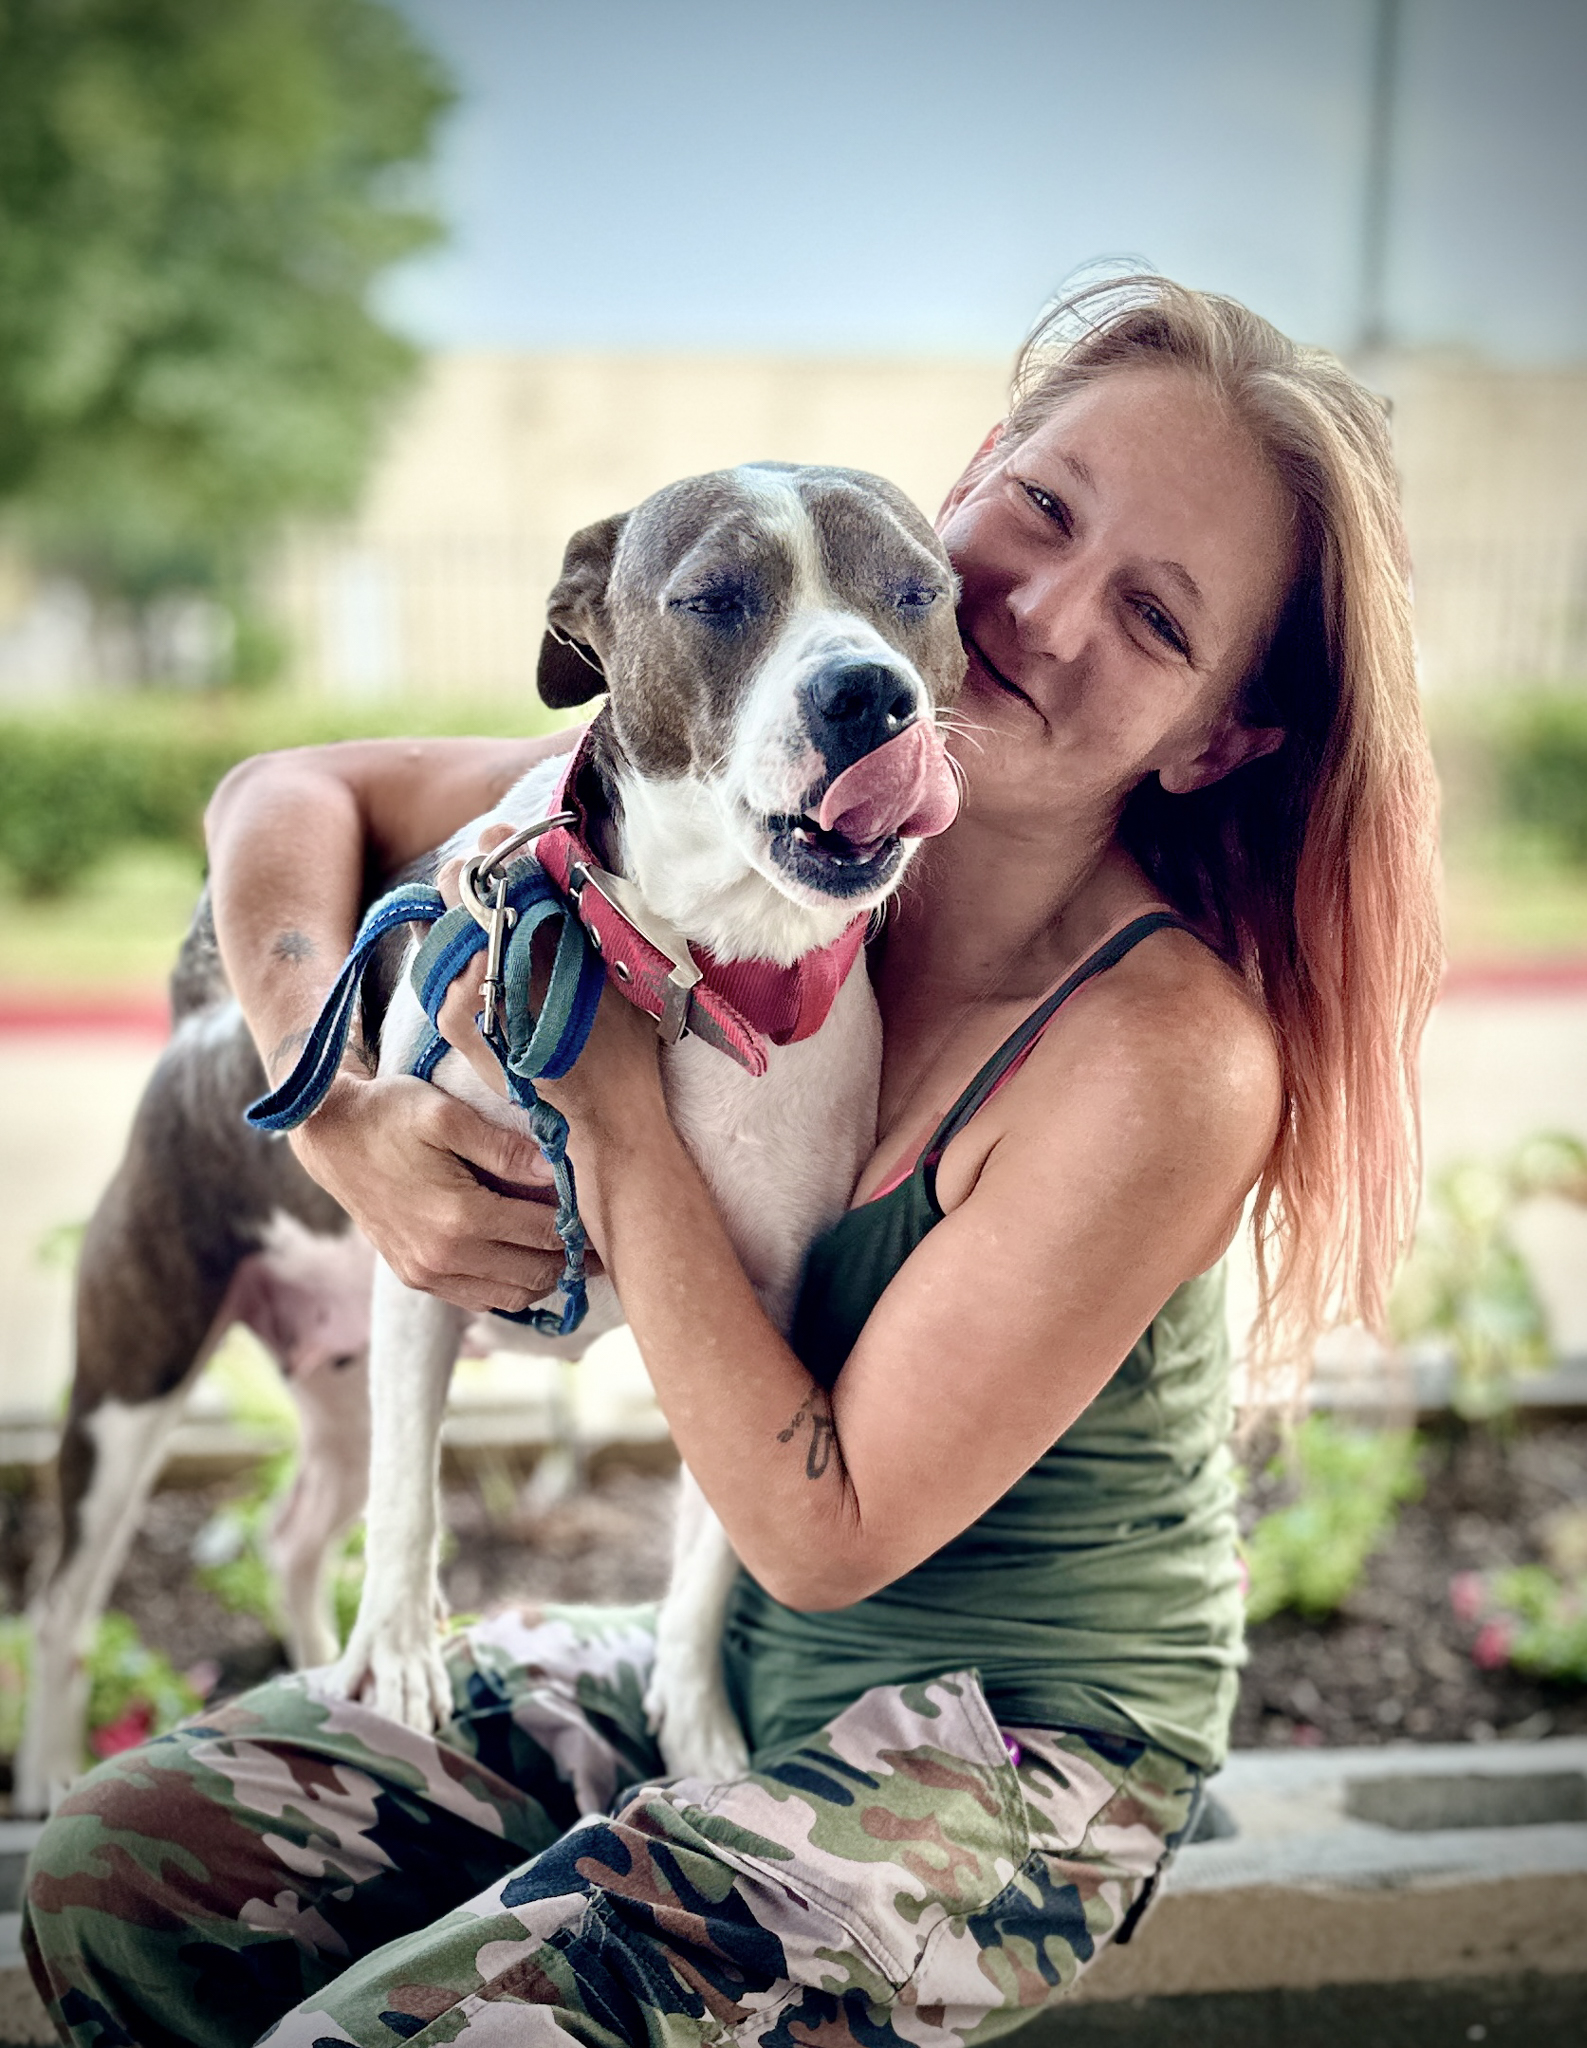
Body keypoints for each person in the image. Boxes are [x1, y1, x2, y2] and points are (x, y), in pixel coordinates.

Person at [23, 277, 1441, 2048]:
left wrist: (607, 1097)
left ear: (1219, 736)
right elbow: (287, 796)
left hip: (1008, 1753)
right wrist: (339, 1115)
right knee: (114, 1878)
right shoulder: (738, 829)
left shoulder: (1165, 1053)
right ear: (969, 478)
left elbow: (821, 1529)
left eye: (1153, 617)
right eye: (1045, 511)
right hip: (726, 1661)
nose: (1040, 612)